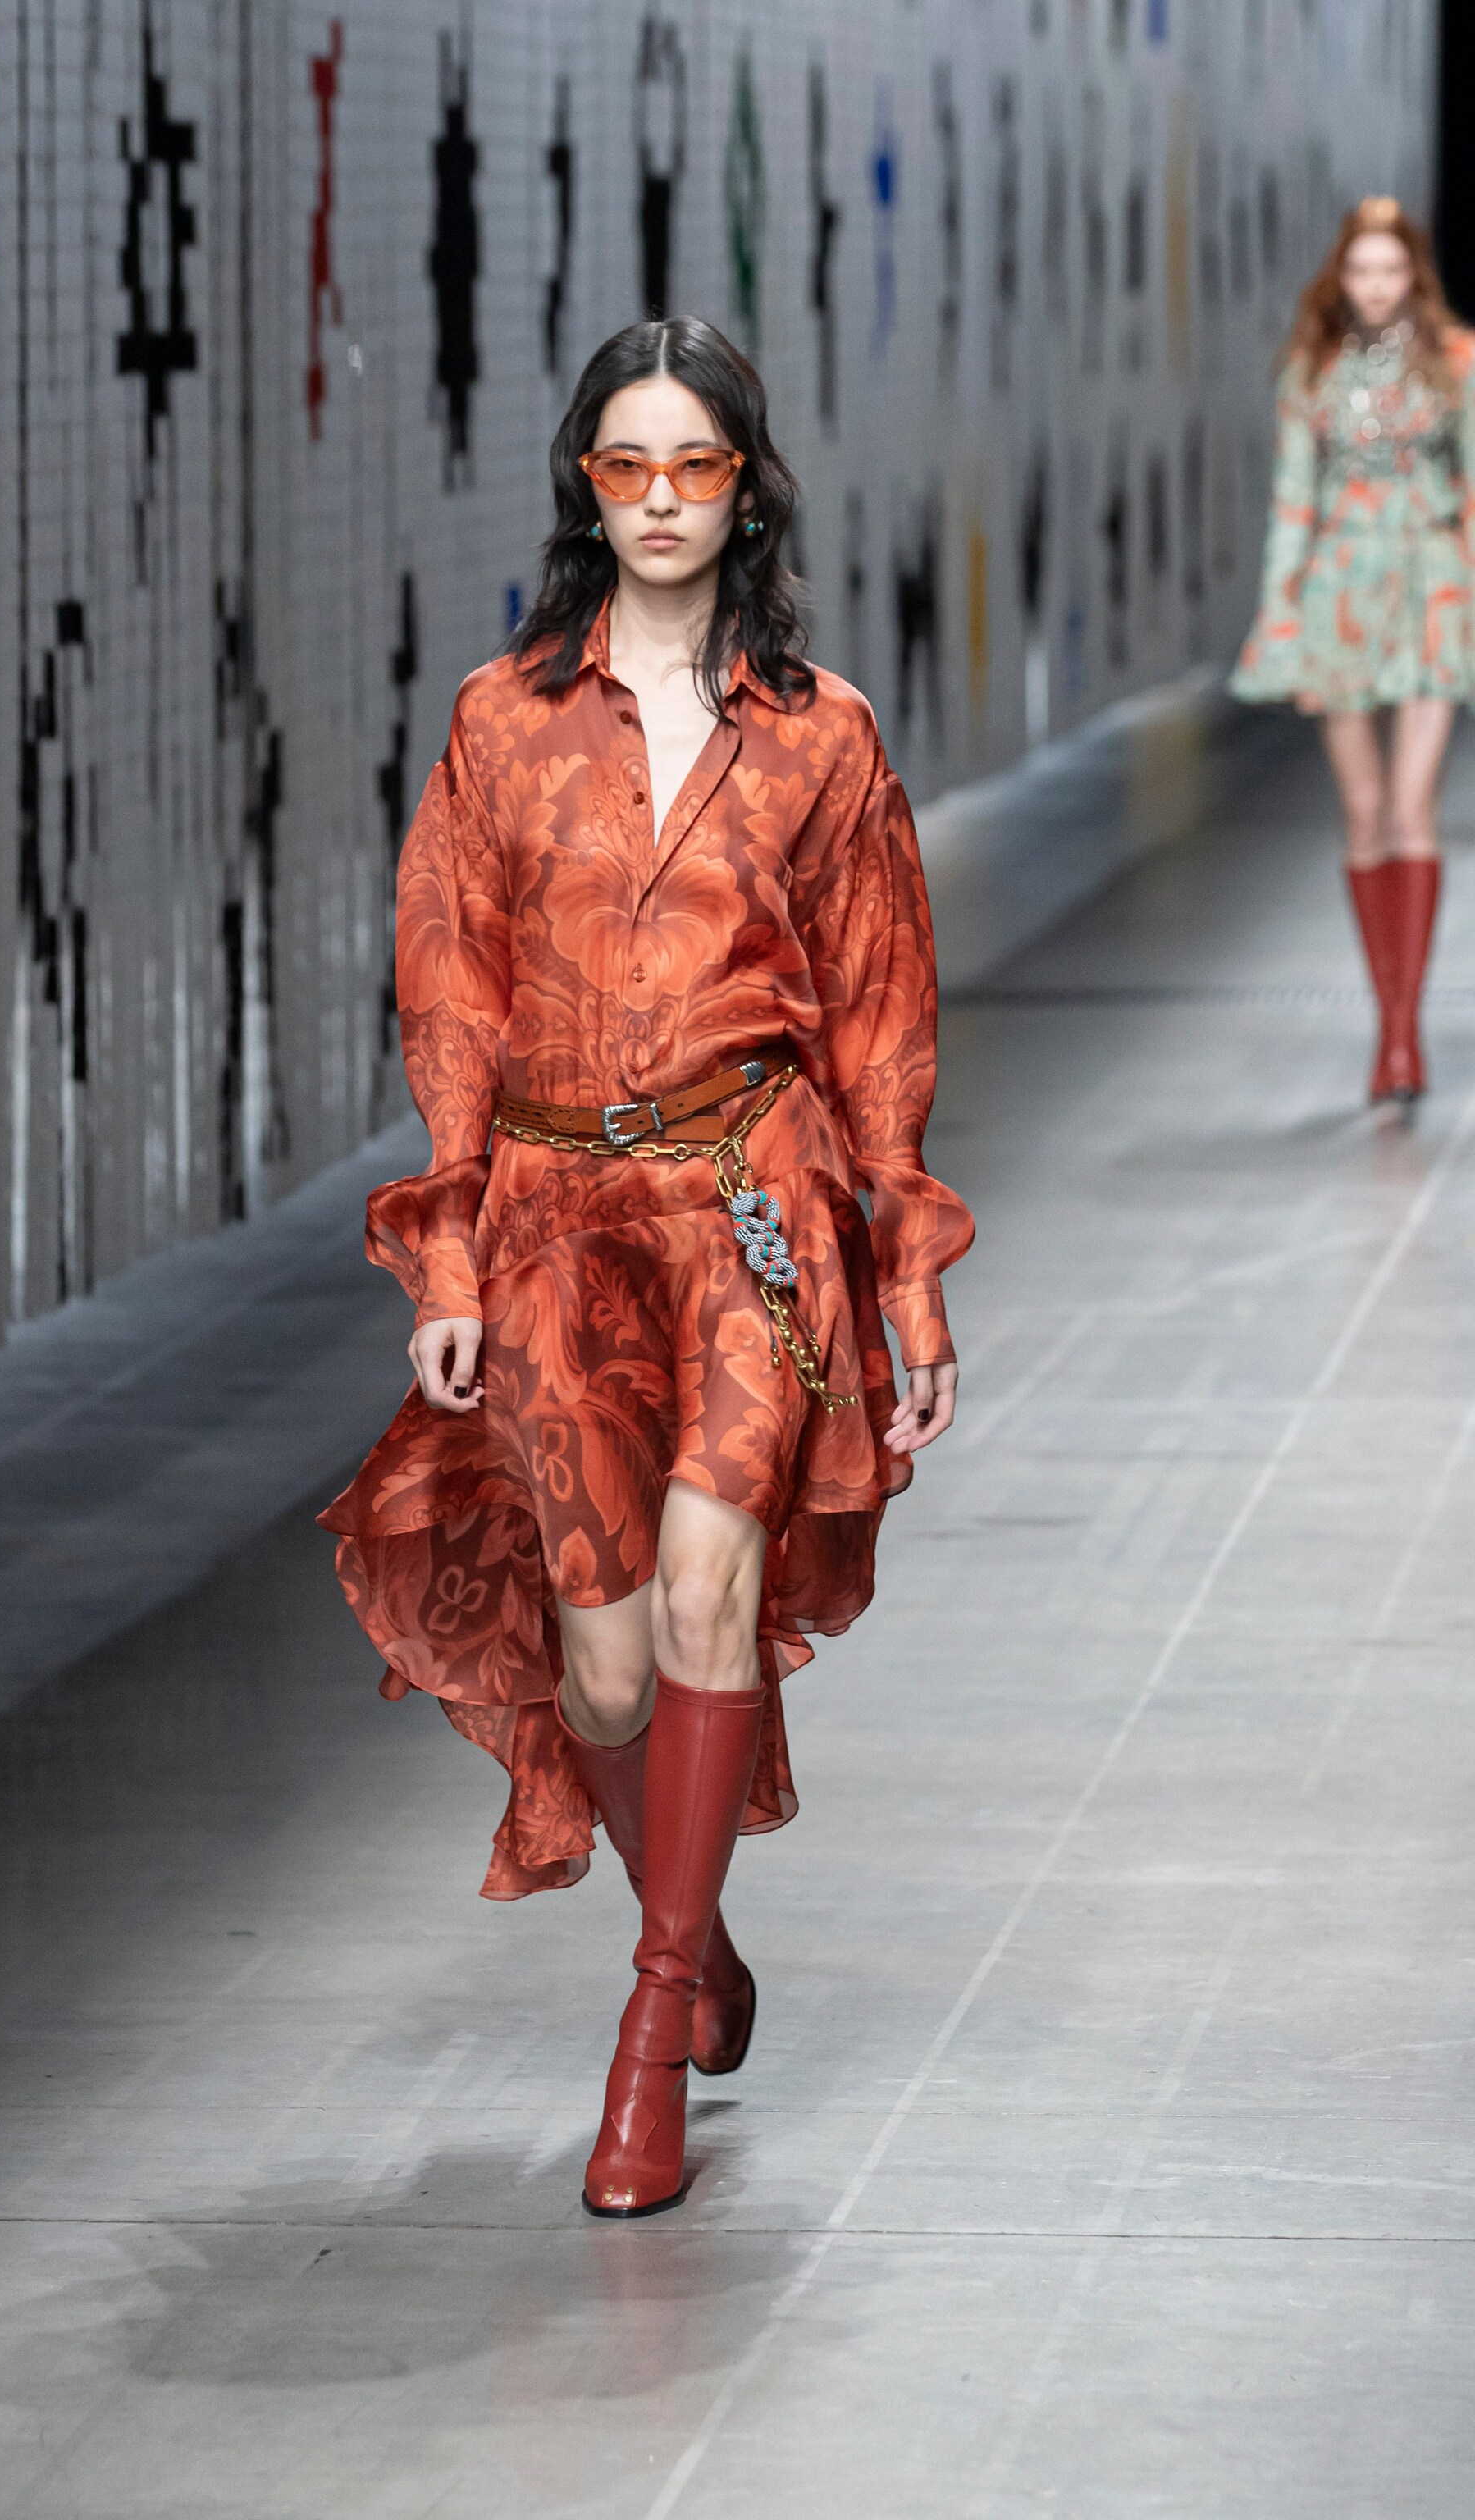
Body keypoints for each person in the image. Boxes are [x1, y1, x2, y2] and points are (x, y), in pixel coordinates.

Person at [320, 317, 973, 2219]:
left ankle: (651, 2024)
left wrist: (908, 1282)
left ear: (745, 486)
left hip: (751, 1206)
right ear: (585, 484)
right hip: (548, 1220)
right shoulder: (500, 723)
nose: (664, 498)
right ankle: (694, 1933)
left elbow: (881, 1019)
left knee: (706, 1588)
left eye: (697, 463)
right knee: (601, 1664)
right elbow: (448, 996)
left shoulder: (822, 734)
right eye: (629, 463)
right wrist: (449, 1257)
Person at [1231, 195, 1473, 1102]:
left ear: (1414, 274)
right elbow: (1293, 504)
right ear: (1340, 276)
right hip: (1338, 594)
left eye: (1390, 269)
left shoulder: (1457, 361)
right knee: (1364, 812)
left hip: (1432, 588)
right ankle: (1387, 1022)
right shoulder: (1310, 370)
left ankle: (1403, 1039)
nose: (1375, 286)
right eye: (1361, 270)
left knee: (1412, 807)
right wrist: (1279, 623)